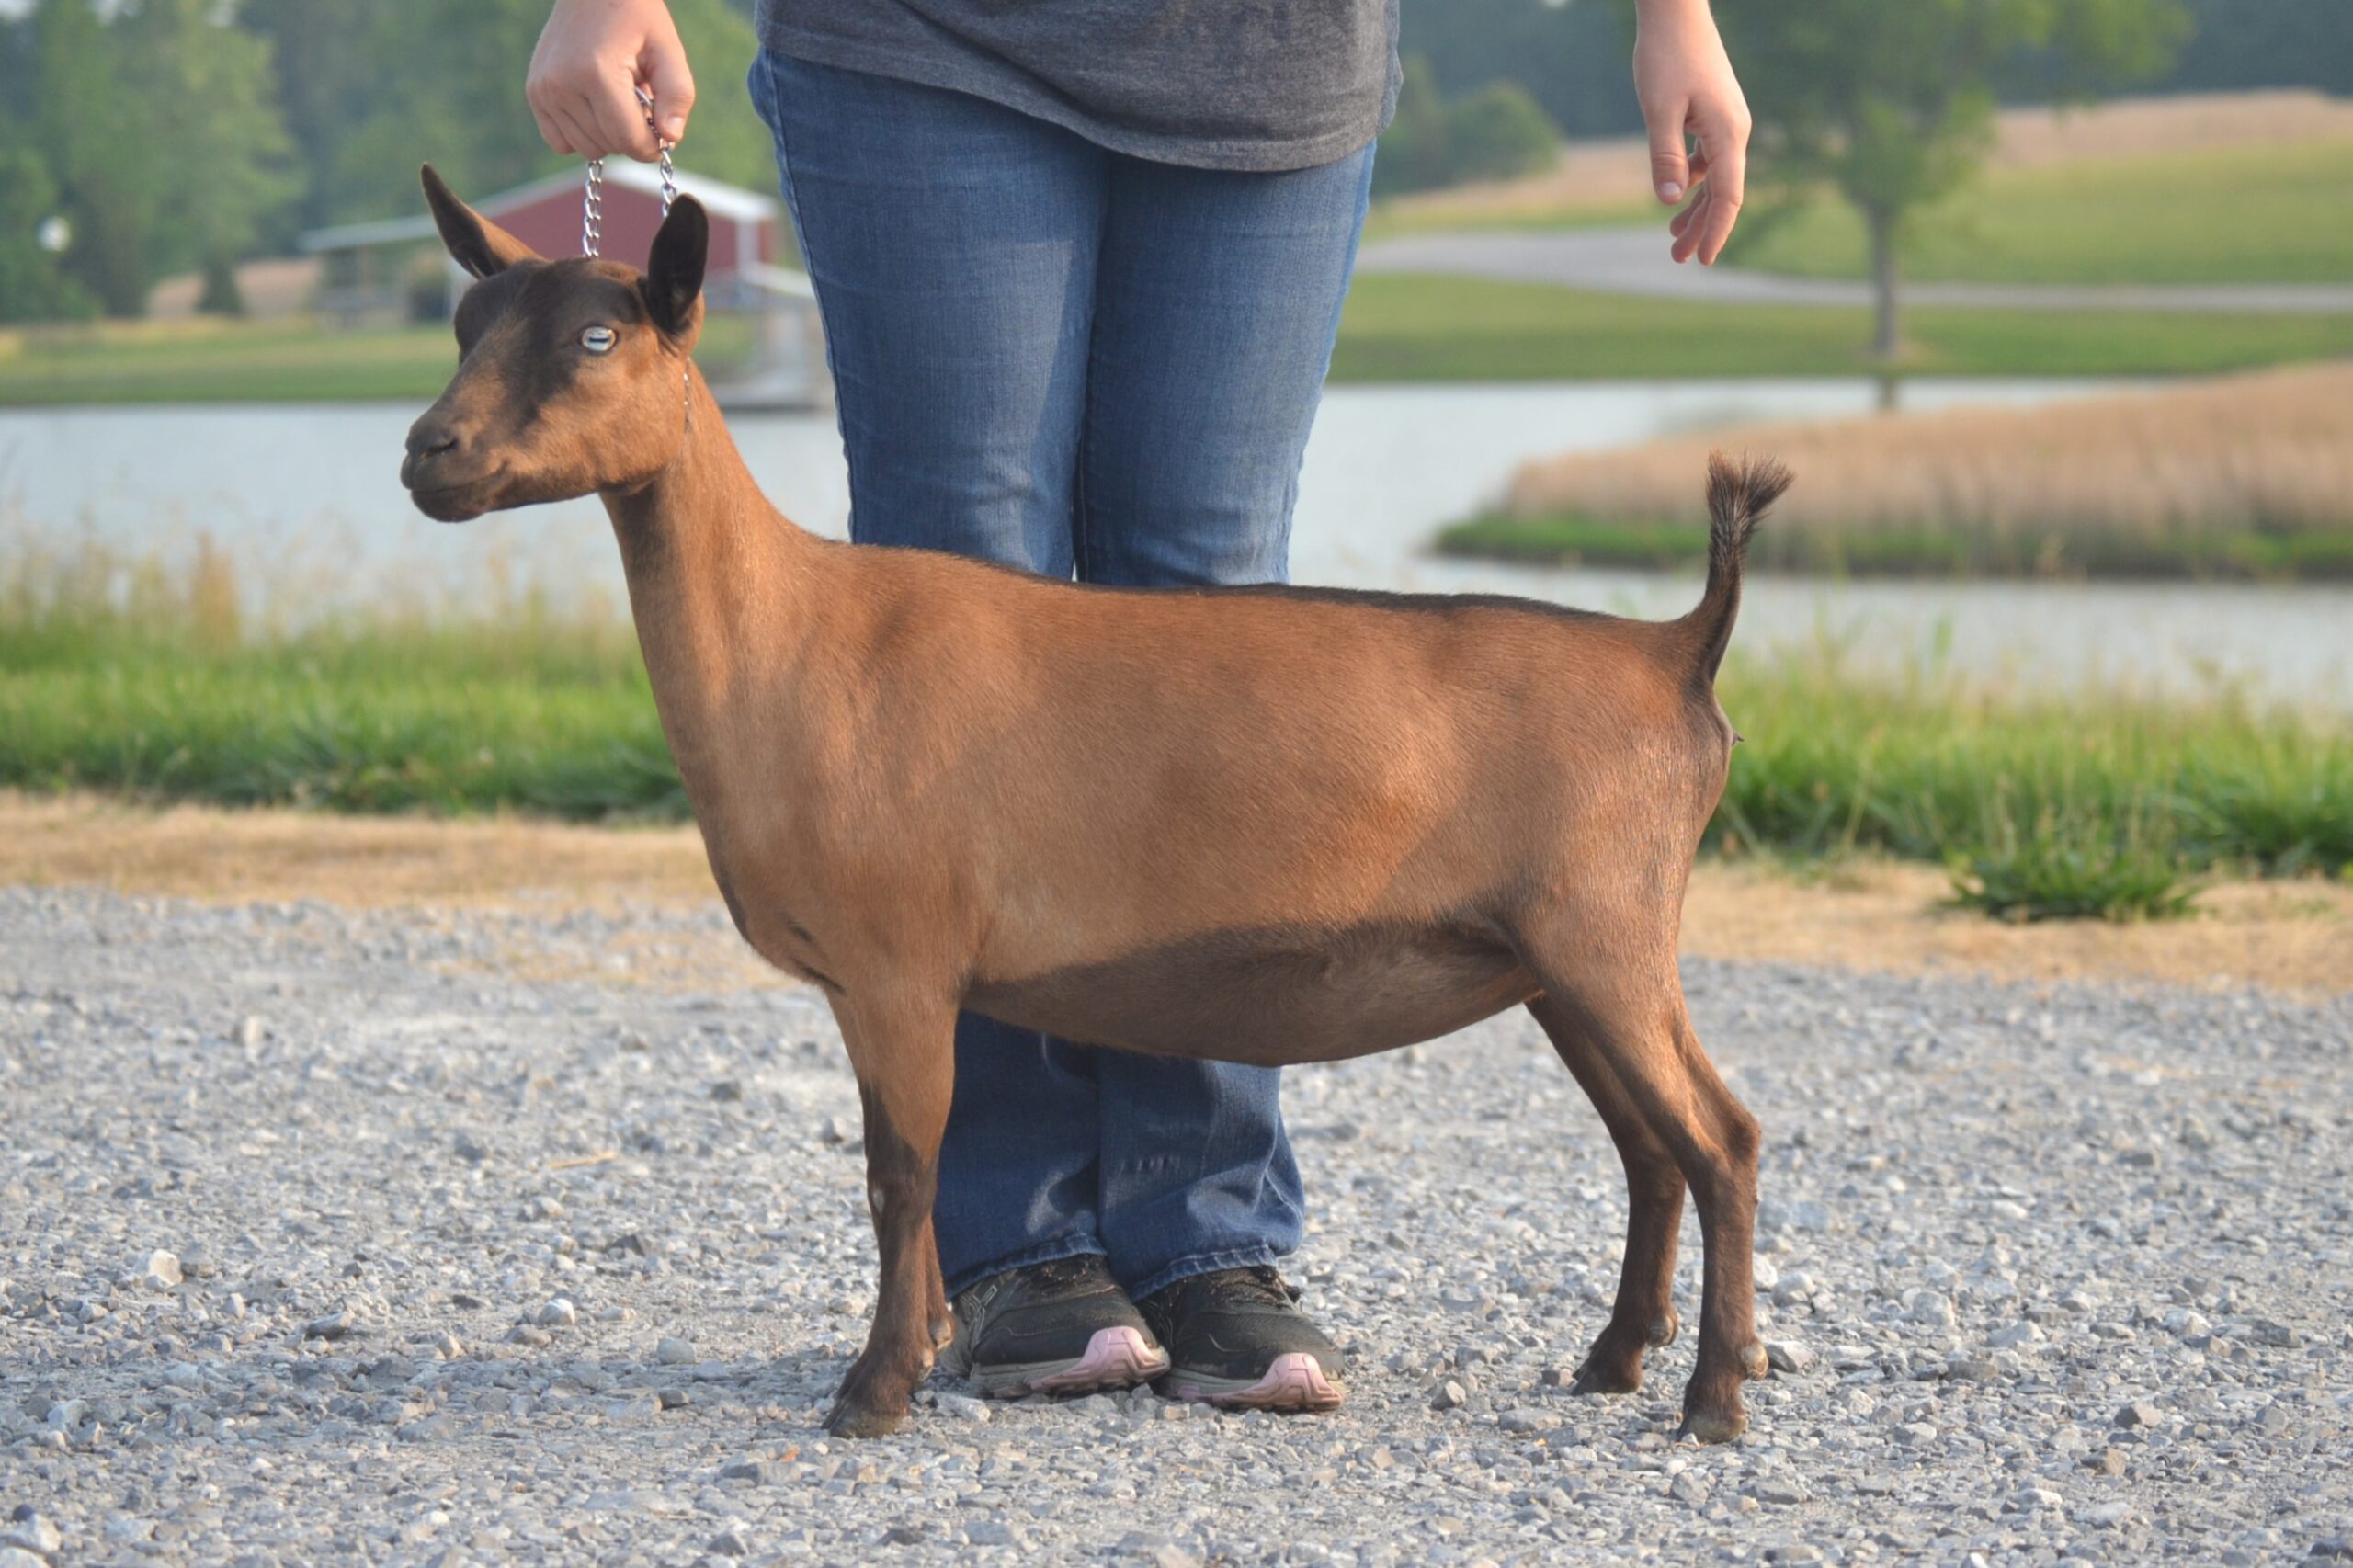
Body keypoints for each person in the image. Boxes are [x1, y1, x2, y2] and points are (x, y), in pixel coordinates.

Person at [528, 0, 1753, 1414]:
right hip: (924, 44)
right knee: (957, 590)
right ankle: (1012, 1242)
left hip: (1269, 56)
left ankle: (1203, 1230)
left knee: (1217, 598)